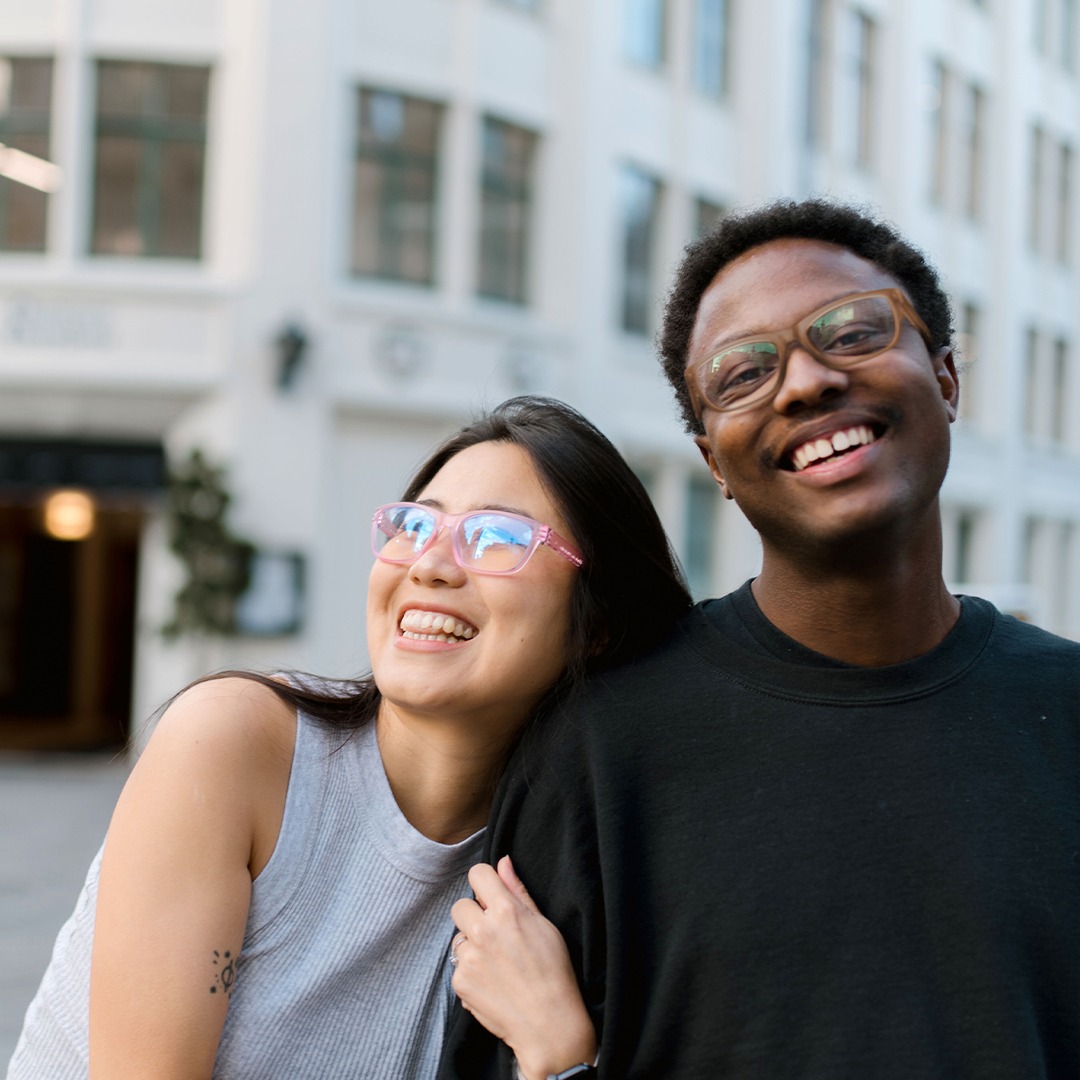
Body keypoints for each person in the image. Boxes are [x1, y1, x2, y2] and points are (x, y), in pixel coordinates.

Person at [439, 200, 1080, 1079]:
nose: (807, 382)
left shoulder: (1068, 714)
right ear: (714, 463)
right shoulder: (603, 751)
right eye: (742, 373)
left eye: (852, 331)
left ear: (946, 376)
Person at [6, 395, 691, 1080]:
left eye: (496, 538)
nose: (430, 564)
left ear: (598, 624)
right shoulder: (235, 745)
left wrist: (563, 1056)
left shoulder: (568, 870)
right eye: (414, 526)